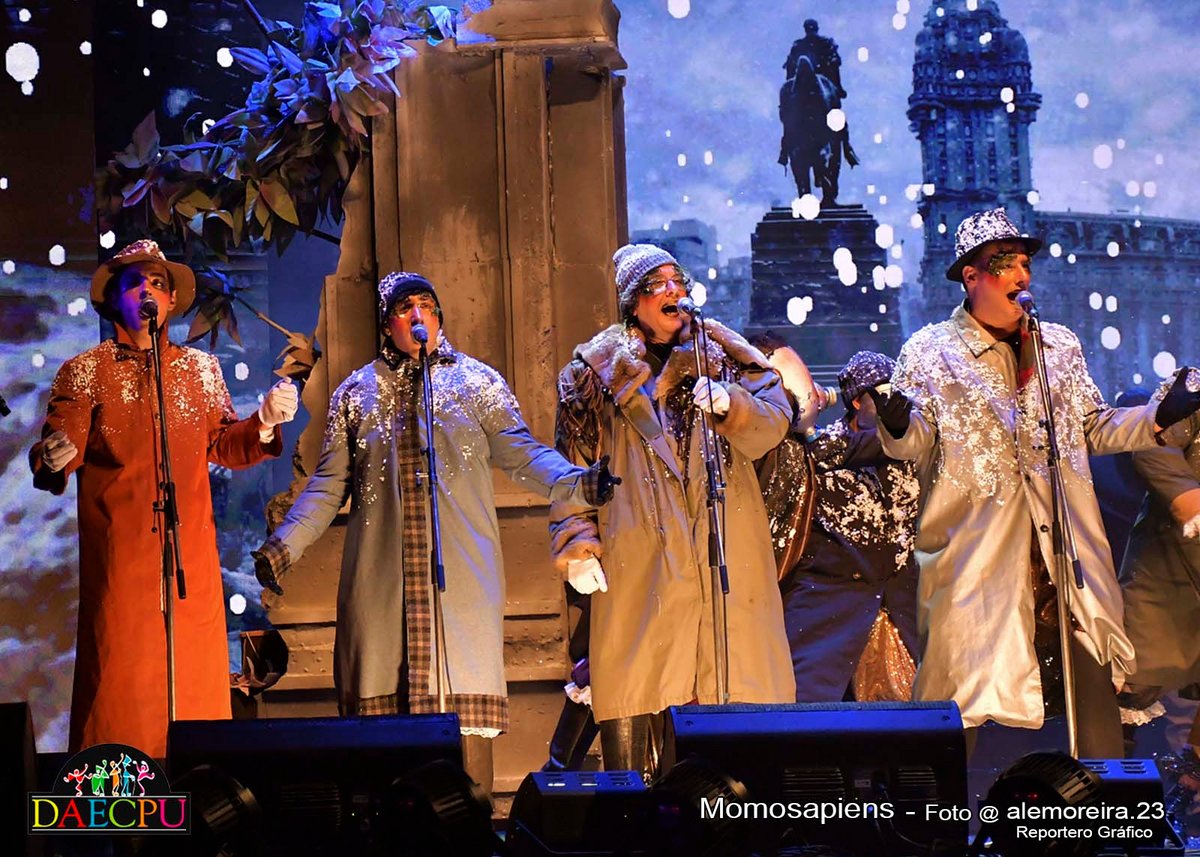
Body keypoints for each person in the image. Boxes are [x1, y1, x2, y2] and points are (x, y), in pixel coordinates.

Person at [252, 272, 616, 796]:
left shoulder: (477, 383)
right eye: (406, 307)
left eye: (427, 305)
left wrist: (580, 484)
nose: (418, 314)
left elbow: (524, 454)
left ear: (439, 317)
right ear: (388, 324)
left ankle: (466, 821)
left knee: (462, 748)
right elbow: (327, 487)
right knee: (383, 754)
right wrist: (282, 549)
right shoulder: (357, 393)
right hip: (382, 588)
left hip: (458, 588)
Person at [868, 208, 1200, 757]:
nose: (1022, 275)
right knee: (961, 695)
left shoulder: (1057, 347)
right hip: (978, 552)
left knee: (1091, 681)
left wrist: (1158, 417)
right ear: (971, 277)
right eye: (1005, 263)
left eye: (1025, 263)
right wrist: (897, 421)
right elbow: (913, 444)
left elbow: (1092, 426)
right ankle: (937, 809)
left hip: (1063, 552)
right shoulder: (930, 352)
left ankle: (1101, 801)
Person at [30, 239, 295, 758]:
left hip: (188, 562)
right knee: (121, 688)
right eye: (136, 283)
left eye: (158, 283)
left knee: (192, 685)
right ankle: (119, 800)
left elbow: (224, 442)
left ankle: (197, 793)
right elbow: (59, 444)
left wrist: (263, 422)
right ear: (115, 299)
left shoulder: (201, 370)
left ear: (172, 300)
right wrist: (53, 456)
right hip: (122, 562)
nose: (148, 291)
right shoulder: (85, 371)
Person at [549, 244, 795, 775]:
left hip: (721, 543)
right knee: (641, 680)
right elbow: (572, 469)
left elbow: (774, 423)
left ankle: (731, 803)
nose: (672, 291)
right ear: (633, 302)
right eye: (656, 284)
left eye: (677, 280)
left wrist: (733, 404)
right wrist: (577, 542)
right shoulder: (594, 373)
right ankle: (637, 808)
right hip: (640, 548)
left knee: (732, 677)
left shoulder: (723, 354)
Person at [756, 340, 921, 704]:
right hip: (827, 624)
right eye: (882, 395)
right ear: (857, 401)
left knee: (913, 727)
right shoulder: (817, 456)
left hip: (901, 618)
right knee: (816, 722)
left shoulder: (913, 455)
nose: (892, 404)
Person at [1118, 386, 1200, 798]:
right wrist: (1190, 500)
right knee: (1129, 691)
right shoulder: (1192, 391)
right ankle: (1109, 808)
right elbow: (1152, 439)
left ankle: (1191, 797)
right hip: (1169, 576)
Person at [784, 19, 845, 97]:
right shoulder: (825, 42)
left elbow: (835, 61)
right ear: (817, 29)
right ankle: (838, 88)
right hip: (811, 75)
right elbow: (790, 64)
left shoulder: (799, 45)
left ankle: (789, 95)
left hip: (815, 76)